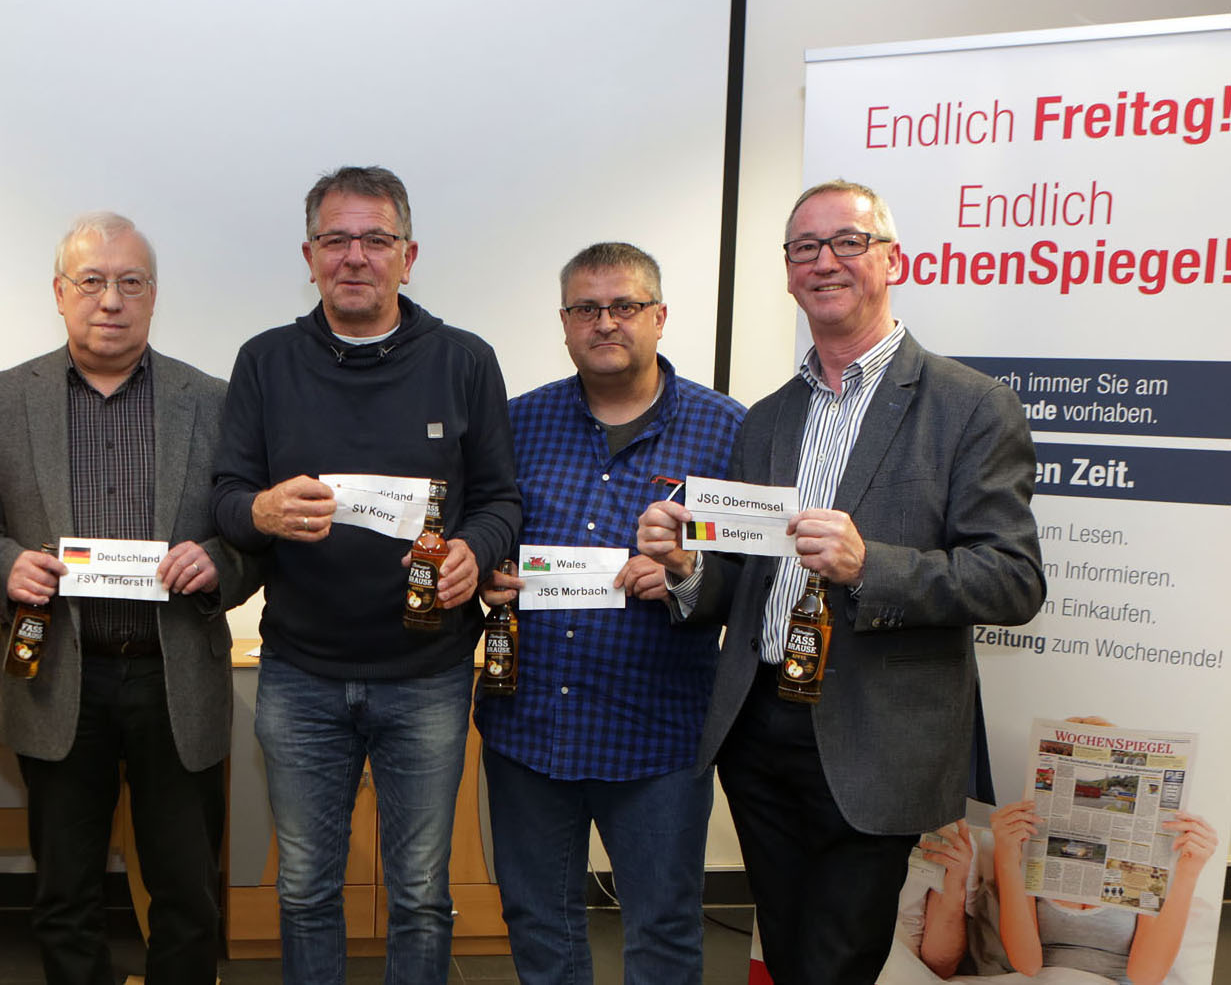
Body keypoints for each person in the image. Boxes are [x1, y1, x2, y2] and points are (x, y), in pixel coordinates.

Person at [637, 179, 1046, 984]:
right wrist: (687, 568)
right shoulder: (767, 417)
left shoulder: (970, 407)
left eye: (847, 242)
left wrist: (871, 565)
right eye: (804, 248)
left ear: (893, 260)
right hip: (758, 729)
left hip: (875, 736)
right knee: (790, 951)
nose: (823, 261)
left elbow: (1012, 579)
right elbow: (744, 583)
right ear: (788, 273)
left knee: (835, 961)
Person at [210, 166, 521, 984]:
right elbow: (226, 497)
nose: (355, 256)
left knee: (419, 893)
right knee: (305, 888)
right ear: (308, 256)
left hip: (428, 674)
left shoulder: (463, 360)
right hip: (299, 673)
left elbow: (501, 498)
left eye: (375, 239)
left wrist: (475, 547)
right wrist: (261, 510)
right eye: (336, 239)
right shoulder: (265, 361)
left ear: (407, 257)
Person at [0, 212, 259, 985]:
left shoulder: (213, 401)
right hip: (58, 675)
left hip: (173, 674)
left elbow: (253, 536)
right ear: (59, 292)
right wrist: (4, 565)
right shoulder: (0, 400)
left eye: (130, 282)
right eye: (91, 281)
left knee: (186, 893)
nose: (110, 300)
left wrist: (218, 563)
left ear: (153, 295)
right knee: (65, 894)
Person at [473, 242, 743, 985]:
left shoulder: (728, 431)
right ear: (564, 322)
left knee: (662, 927)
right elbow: (484, 532)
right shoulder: (517, 423)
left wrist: (687, 575)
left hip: (658, 732)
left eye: (624, 305)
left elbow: (754, 580)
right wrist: (487, 576)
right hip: (529, 724)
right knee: (537, 920)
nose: (605, 322)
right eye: (586, 308)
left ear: (659, 316)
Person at [912, 718, 1220, 985]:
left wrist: (1189, 872)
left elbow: (1146, 977)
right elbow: (1027, 963)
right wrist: (1007, 855)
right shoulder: (1026, 851)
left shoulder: (1141, 862)